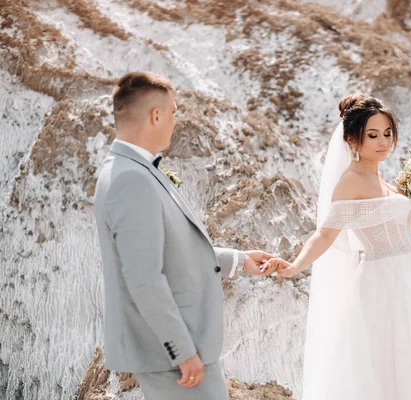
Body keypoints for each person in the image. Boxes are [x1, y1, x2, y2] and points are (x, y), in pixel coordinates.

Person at [268, 94, 411, 399]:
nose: (382, 142)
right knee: (388, 364)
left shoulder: (379, 176)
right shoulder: (351, 181)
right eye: (372, 135)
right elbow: (325, 234)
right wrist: (294, 266)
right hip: (381, 283)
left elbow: (395, 228)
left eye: (387, 134)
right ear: (351, 140)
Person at [93, 71, 276, 400]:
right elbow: (143, 278)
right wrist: (181, 351)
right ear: (156, 115)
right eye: (174, 112)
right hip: (172, 355)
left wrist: (238, 259)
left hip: (178, 349)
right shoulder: (130, 180)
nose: (175, 121)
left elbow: (171, 251)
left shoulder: (131, 169)